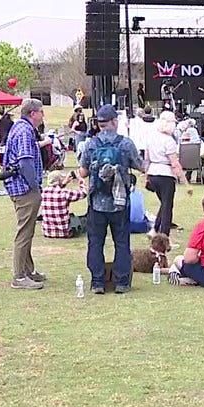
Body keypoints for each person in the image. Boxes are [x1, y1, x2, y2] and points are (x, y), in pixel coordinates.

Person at [81, 104, 144, 294]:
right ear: (115, 122)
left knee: (95, 243)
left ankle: (97, 282)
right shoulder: (125, 144)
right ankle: (121, 282)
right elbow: (140, 166)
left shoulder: (90, 144)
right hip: (120, 202)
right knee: (122, 243)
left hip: (97, 202)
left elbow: (83, 172)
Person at [3, 98, 47, 290]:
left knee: (28, 230)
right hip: (24, 188)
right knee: (25, 232)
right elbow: (25, 162)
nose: (43, 116)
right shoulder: (24, 131)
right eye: (41, 112)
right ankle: (19, 276)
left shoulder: (23, 129)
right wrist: (34, 185)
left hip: (21, 186)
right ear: (33, 113)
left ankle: (28, 270)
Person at [144, 112, 192, 236]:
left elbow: (146, 159)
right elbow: (175, 164)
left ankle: (155, 229)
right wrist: (186, 183)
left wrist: (146, 176)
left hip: (153, 173)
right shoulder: (169, 141)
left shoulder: (151, 138)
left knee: (164, 203)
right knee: (167, 207)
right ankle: (164, 236)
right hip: (165, 175)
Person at [41, 171, 89, 238]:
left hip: (48, 232)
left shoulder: (43, 192)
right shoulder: (64, 193)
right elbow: (83, 193)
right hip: (65, 232)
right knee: (85, 220)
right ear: (59, 181)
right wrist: (80, 179)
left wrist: (64, 183)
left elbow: (56, 191)